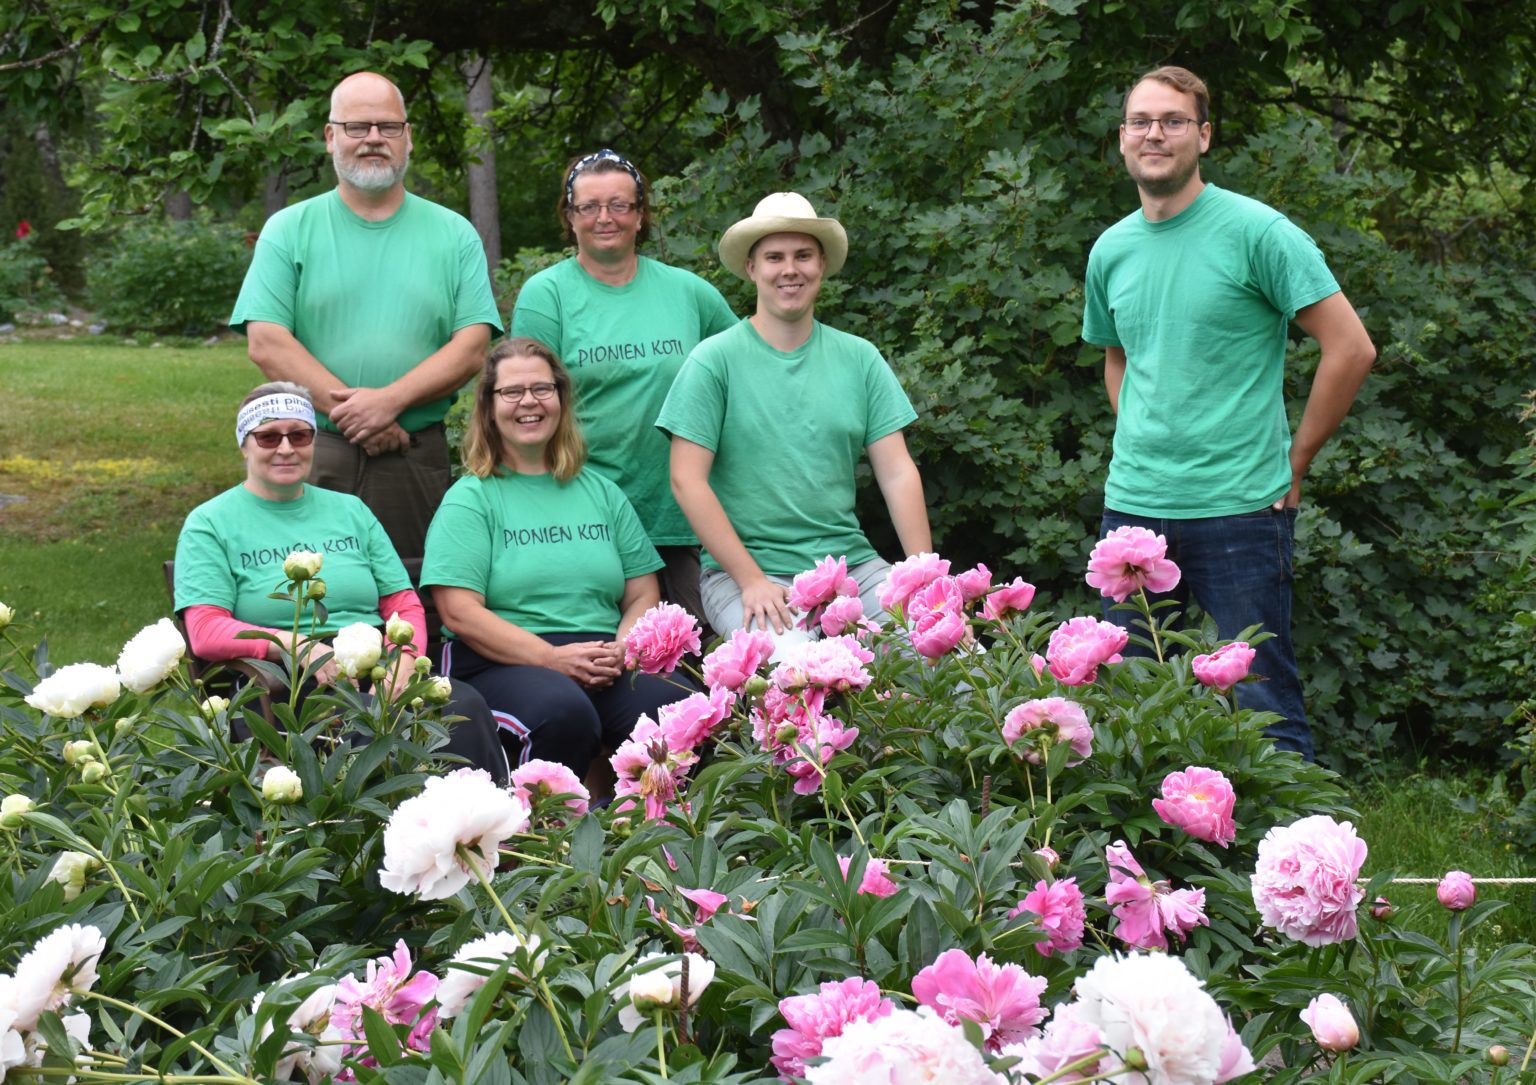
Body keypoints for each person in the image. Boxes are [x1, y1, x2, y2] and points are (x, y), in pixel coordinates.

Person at [1081, 65, 1376, 760]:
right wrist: (1140, 430)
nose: (1155, 134)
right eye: (1141, 121)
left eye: (1174, 121)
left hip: (1240, 507)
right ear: (1122, 138)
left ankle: (1297, 835)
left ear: (1204, 135)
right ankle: (1151, 837)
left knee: (1261, 699)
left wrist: (1296, 461)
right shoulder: (1111, 249)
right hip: (1133, 508)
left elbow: (1351, 348)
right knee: (1128, 706)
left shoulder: (1258, 233)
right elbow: (1118, 358)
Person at [228, 70, 503, 564]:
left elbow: (472, 347)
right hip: (312, 449)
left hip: (412, 453)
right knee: (307, 591)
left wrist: (388, 403)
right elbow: (266, 341)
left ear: (408, 137)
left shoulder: (454, 234)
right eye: (357, 126)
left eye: (388, 126)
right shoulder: (288, 230)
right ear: (330, 136)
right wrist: (360, 418)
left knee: (414, 592)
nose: (373, 138)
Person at [173, 381, 506, 782]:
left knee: (464, 706)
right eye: (268, 437)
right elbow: (206, 630)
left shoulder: (351, 511)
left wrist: (402, 658)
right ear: (245, 444)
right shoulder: (211, 523)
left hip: (374, 661)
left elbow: (401, 600)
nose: (286, 448)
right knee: (368, 725)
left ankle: (486, 816)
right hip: (283, 681)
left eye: (299, 435)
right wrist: (296, 645)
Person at [657, 192, 932, 640]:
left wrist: (924, 580)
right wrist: (750, 580)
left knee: (948, 661)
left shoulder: (860, 358)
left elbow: (897, 472)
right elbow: (686, 480)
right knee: (796, 672)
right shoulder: (713, 361)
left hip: (851, 569)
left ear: (821, 264)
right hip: (747, 575)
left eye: (803, 255)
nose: (790, 269)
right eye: (774, 257)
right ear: (752, 268)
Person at [421, 338, 693, 776]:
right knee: (563, 712)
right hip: (503, 661)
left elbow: (643, 591)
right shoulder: (470, 500)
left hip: (605, 656)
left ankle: (645, 819)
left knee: (679, 709)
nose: (529, 401)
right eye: (512, 391)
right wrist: (551, 658)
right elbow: (459, 611)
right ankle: (539, 819)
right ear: (489, 407)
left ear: (561, 399)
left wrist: (623, 648)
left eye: (542, 389)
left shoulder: (601, 492)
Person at [511, 149, 737, 625]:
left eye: (619, 205)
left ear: (640, 215)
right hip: (584, 515)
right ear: (569, 217)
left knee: (696, 653)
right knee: (601, 651)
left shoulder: (689, 292)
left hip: (681, 515)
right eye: (589, 206)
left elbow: (745, 375)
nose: (604, 218)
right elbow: (524, 410)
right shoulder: (546, 295)